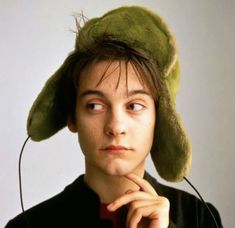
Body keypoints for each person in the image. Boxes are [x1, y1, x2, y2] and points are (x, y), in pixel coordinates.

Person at [6, 6, 223, 228]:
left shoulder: (200, 217)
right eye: (95, 105)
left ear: (159, 118)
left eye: (135, 105)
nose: (116, 126)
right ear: (72, 118)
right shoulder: (27, 225)